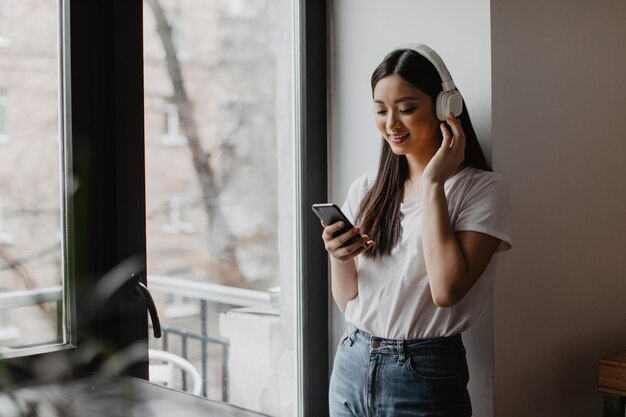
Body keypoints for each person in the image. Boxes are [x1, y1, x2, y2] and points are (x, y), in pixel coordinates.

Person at [321, 43, 513, 417]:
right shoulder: (367, 188)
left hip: (422, 372)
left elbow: (446, 290)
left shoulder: (483, 189)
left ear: (447, 108)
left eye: (406, 109)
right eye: (380, 111)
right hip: (351, 362)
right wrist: (339, 256)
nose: (391, 124)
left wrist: (433, 186)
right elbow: (348, 301)